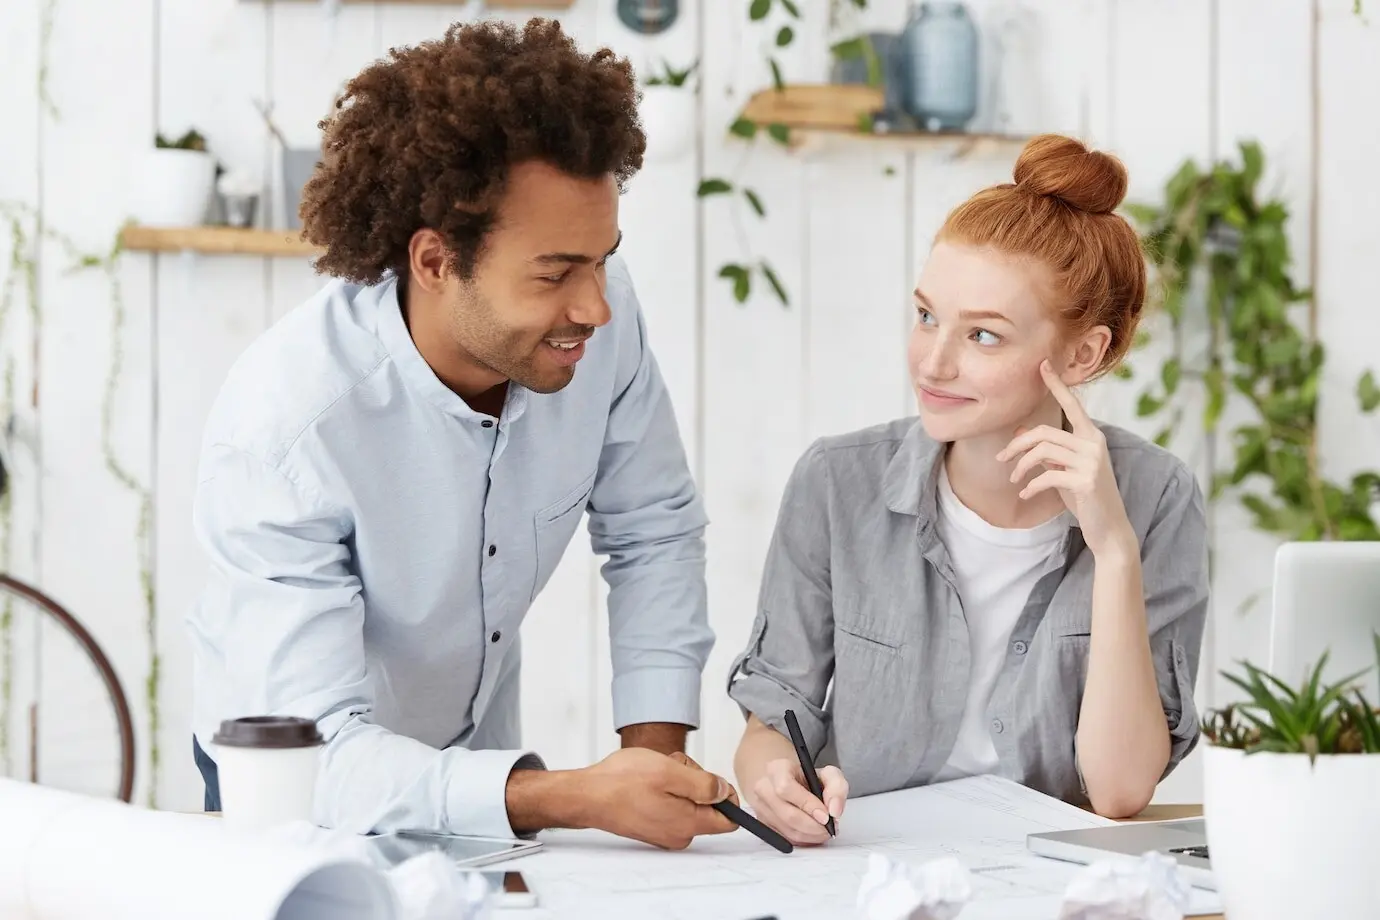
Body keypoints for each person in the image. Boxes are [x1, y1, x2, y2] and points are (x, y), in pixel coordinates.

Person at [186, 18, 740, 850]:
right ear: (436, 262)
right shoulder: (288, 429)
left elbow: (653, 529)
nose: (595, 306)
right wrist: (573, 797)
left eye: (601, 259)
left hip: (478, 768)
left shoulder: (599, 320)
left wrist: (654, 765)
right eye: (556, 273)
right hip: (298, 787)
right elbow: (316, 757)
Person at [727, 134, 1209, 846]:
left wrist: (1113, 550)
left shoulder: (1158, 498)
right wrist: (771, 778)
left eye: (983, 336)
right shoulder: (835, 483)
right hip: (866, 871)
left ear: (1083, 354)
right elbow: (774, 717)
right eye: (927, 317)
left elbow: (1118, 791)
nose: (933, 363)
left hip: (1046, 882)